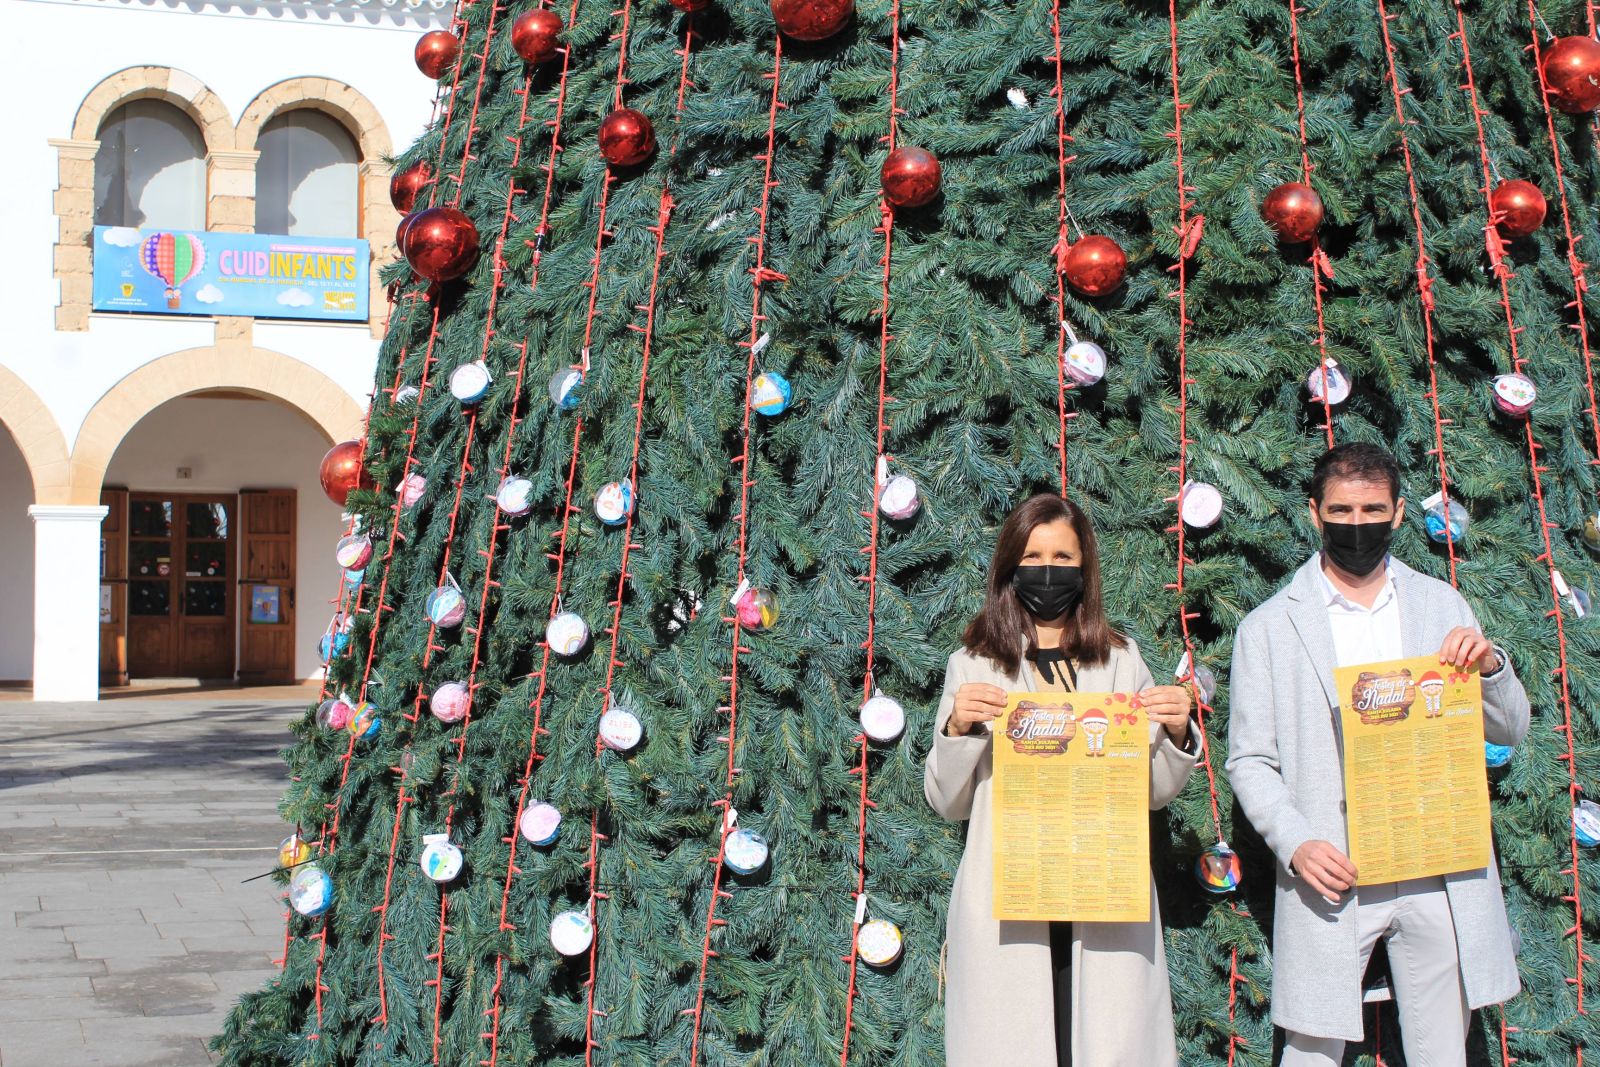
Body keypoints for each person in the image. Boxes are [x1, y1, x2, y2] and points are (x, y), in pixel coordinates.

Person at [1226, 443, 1531, 1066]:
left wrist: (1492, 665)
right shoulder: (1267, 626)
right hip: (1332, 869)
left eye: (1372, 509)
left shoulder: (1442, 604)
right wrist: (1297, 842)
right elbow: (1249, 759)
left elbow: (1510, 728)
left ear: (1396, 515)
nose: (1356, 523)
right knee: (1310, 1048)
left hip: (1435, 865)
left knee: (1442, 1047)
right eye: (1341, 509)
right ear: (1314, 513)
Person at [924, 492, 1202, 1067]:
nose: (1048, 572)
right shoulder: (973, 663)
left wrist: (1177, 737)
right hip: (1010, 900)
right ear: (1009, 568)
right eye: (1034, 556)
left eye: (1064, 558)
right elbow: (947, 802)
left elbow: (1151, 792)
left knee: (1105, 1045)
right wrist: (958, 728)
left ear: (1084, 568)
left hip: (1103, 894)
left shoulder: (1120, 660)